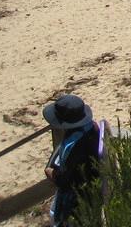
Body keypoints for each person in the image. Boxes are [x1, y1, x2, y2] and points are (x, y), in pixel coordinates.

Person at [43, 95, 101, 227]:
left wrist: (51, 172)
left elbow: (65, 180)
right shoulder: (91, 128)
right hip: (92, 188)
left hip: (79, 198)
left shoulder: (76, 147)